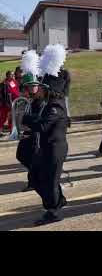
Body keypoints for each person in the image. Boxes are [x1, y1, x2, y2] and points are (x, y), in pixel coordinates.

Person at [23, 44, 69, 225]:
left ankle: (53, 211)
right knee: (35, 177)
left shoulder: (56, 106)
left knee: (50, 182)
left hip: (55, 148)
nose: (39, 89)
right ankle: (57, 202)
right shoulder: (49, 103)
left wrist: (25, 118)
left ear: (50, 89)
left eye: (43, 87)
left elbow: (43, 126)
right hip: (47, 147)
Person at [16, 50, 43, 192]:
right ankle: (36, 176)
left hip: (35, 136)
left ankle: (34, 182)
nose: (27, 89)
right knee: (21, 155)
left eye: (32, 85)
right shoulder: (28, 100)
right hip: (26, 134)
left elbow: (38, 120)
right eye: (27, 86)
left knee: (31, 158)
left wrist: (28, 128)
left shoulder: (39, 101)